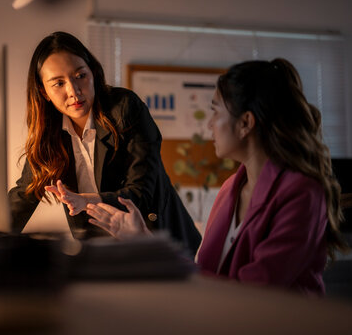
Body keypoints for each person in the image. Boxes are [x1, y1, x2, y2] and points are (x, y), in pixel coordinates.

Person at [86, 58, 348, 295]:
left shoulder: (301, 193)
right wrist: (143, 241)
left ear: (245, 123)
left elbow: (252, 293)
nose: (209, 124)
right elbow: (206, 273)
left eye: (216, 111)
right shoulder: (231, 188)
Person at [8, 31, 201, 255]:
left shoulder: (125, 108)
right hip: (101, 254)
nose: (74, 91)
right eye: (58, 83)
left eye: (80, 75)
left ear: (94, 73)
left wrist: (86, 200)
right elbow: (25, 194)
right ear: (44, 92)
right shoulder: (50, 134)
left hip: (159, 245)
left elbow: (141, 193)